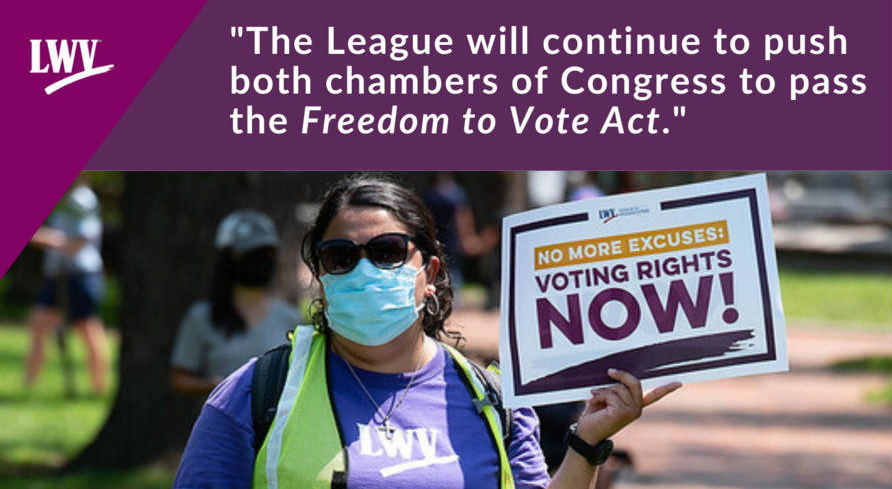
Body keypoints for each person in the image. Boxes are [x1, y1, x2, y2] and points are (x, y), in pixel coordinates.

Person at [173, 175, 680, 489]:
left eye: (389, 252)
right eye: (341, 257)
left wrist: (587, 444)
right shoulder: (255, 395)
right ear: (322, 278)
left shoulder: (495, 400)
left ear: (430, 273)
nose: (365, 271)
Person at [169, 210, 300, 395]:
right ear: (228, 258)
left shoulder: (290, 317)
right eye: (251, 253)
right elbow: (179, 377)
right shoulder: (201, 317)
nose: (260, 260)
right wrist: (212, 387)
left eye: (267, 252)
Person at [25, 179, 109, 394]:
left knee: (88, 330)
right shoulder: (63, 198)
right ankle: (29, 385)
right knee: (37, 324)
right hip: (59, 276)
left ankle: (98, 388)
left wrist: (43, 238)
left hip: (80, 275)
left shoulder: (82, 199)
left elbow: (77, 243)